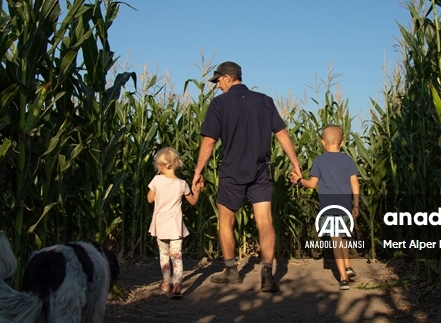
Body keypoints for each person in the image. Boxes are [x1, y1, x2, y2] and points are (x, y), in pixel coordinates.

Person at [192, 61, 302, 292]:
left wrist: (198, 171)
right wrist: (295, 164)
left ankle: (231, 271)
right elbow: (282, 134)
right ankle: (267, 275)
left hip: (232, 171)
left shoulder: (220, 103)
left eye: (218, 81)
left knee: (226, 221)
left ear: (228, 77)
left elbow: (209, 141)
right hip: (261, 171)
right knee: (265, 220)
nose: (217, 86)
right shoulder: (264, 101)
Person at [298, 125, 360, 290]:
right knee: (342, 237)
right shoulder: (347, 160)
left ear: (322, 142)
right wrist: (356, 205)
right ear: (342, 143)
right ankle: (348, 266)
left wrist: (299, 181)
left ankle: (343, 278)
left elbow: (312, 184)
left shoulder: (319, 160)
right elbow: (355, 183)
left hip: (329, 208)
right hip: (345, 207)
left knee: (336, 240)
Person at [148, 147, 201, 299]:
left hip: (160, 225)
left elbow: (150, 199)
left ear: (161, 166)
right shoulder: (182, 184)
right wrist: (197, 190)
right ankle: (177, 284)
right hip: (175, 226)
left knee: (164, 255)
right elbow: (193, 201)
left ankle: (166, 283)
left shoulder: (156, 180)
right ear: (176, 164)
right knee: (176, 256)